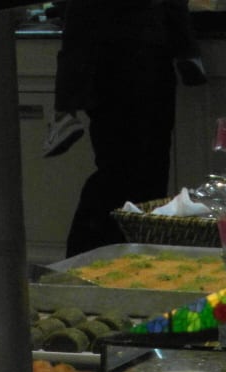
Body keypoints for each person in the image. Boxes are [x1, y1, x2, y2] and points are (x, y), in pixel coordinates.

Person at [48, 0, 206, 257]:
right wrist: (187, 50)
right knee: (136, 175)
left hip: (117, 57)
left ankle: (96, 259)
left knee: (123, 175)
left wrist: (66, 98)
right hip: (140, 56)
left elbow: (79, 18)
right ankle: (106, 258)